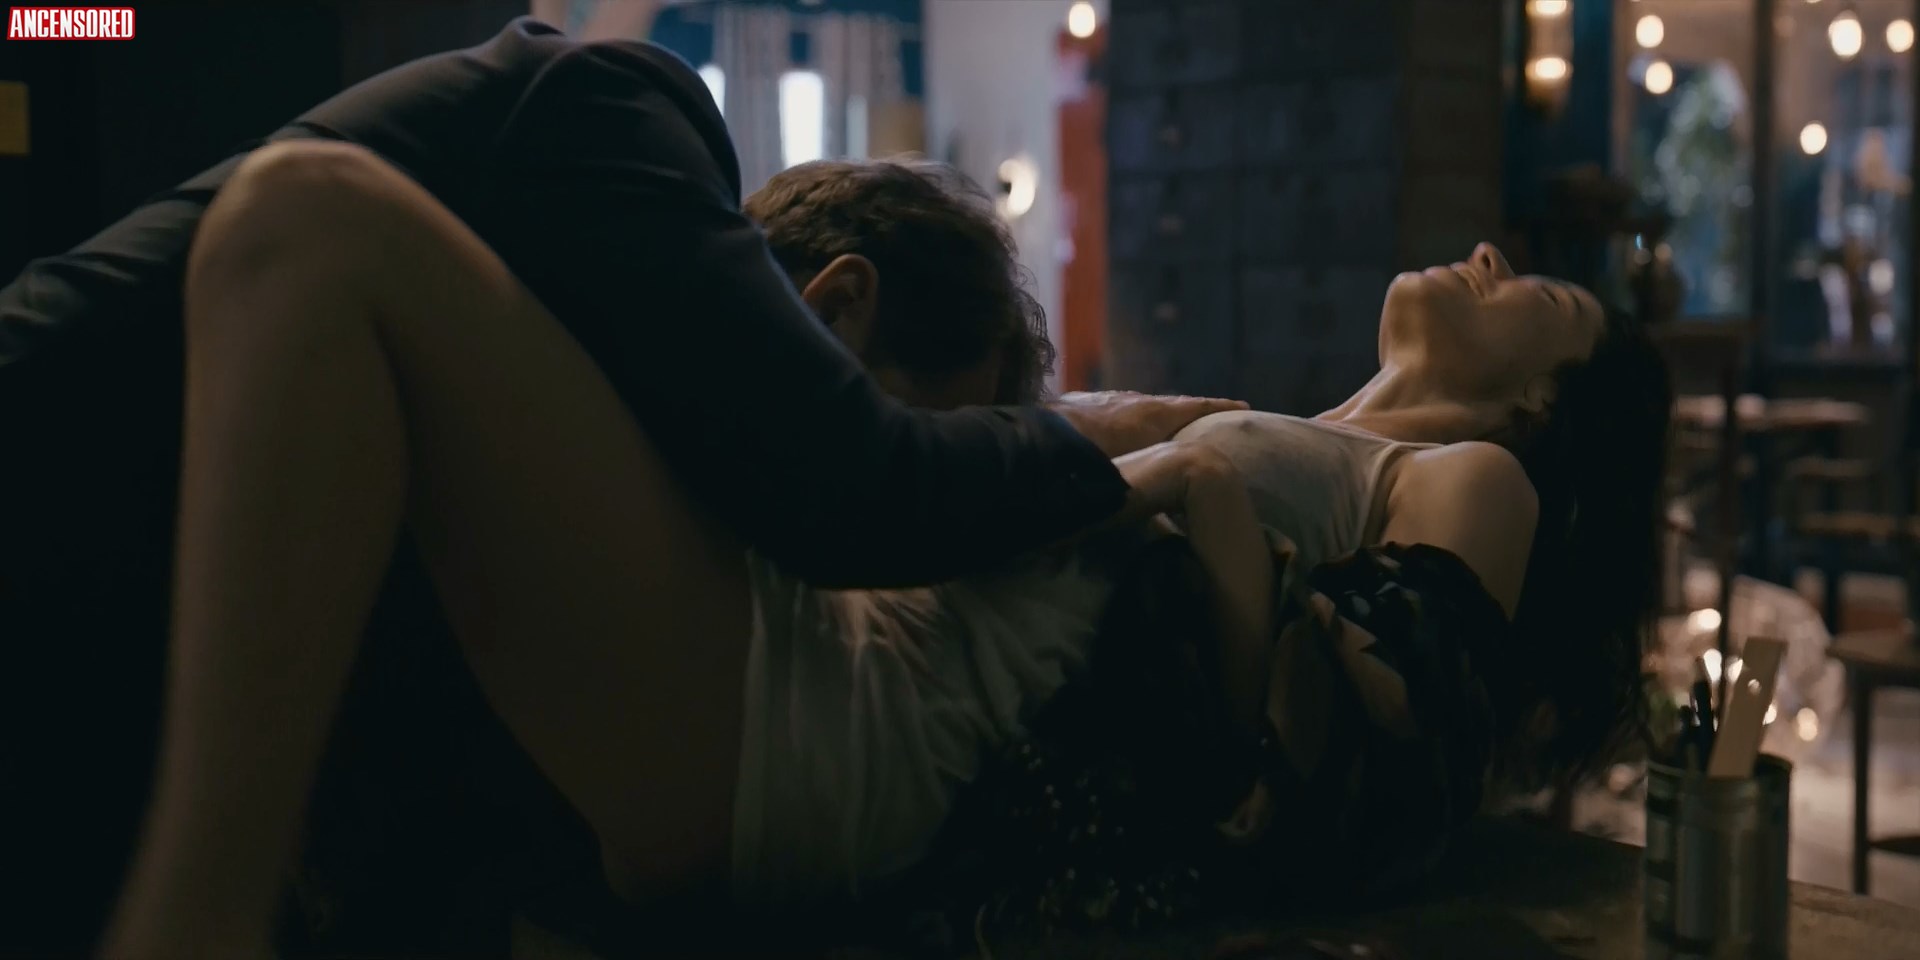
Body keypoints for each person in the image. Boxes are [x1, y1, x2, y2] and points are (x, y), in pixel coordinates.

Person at [0, 21, 1242, 959]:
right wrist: (1094, 440)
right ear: (837, 312)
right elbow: (859, 488)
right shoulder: (615, 105)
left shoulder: (538, 430)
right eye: (938, 418)